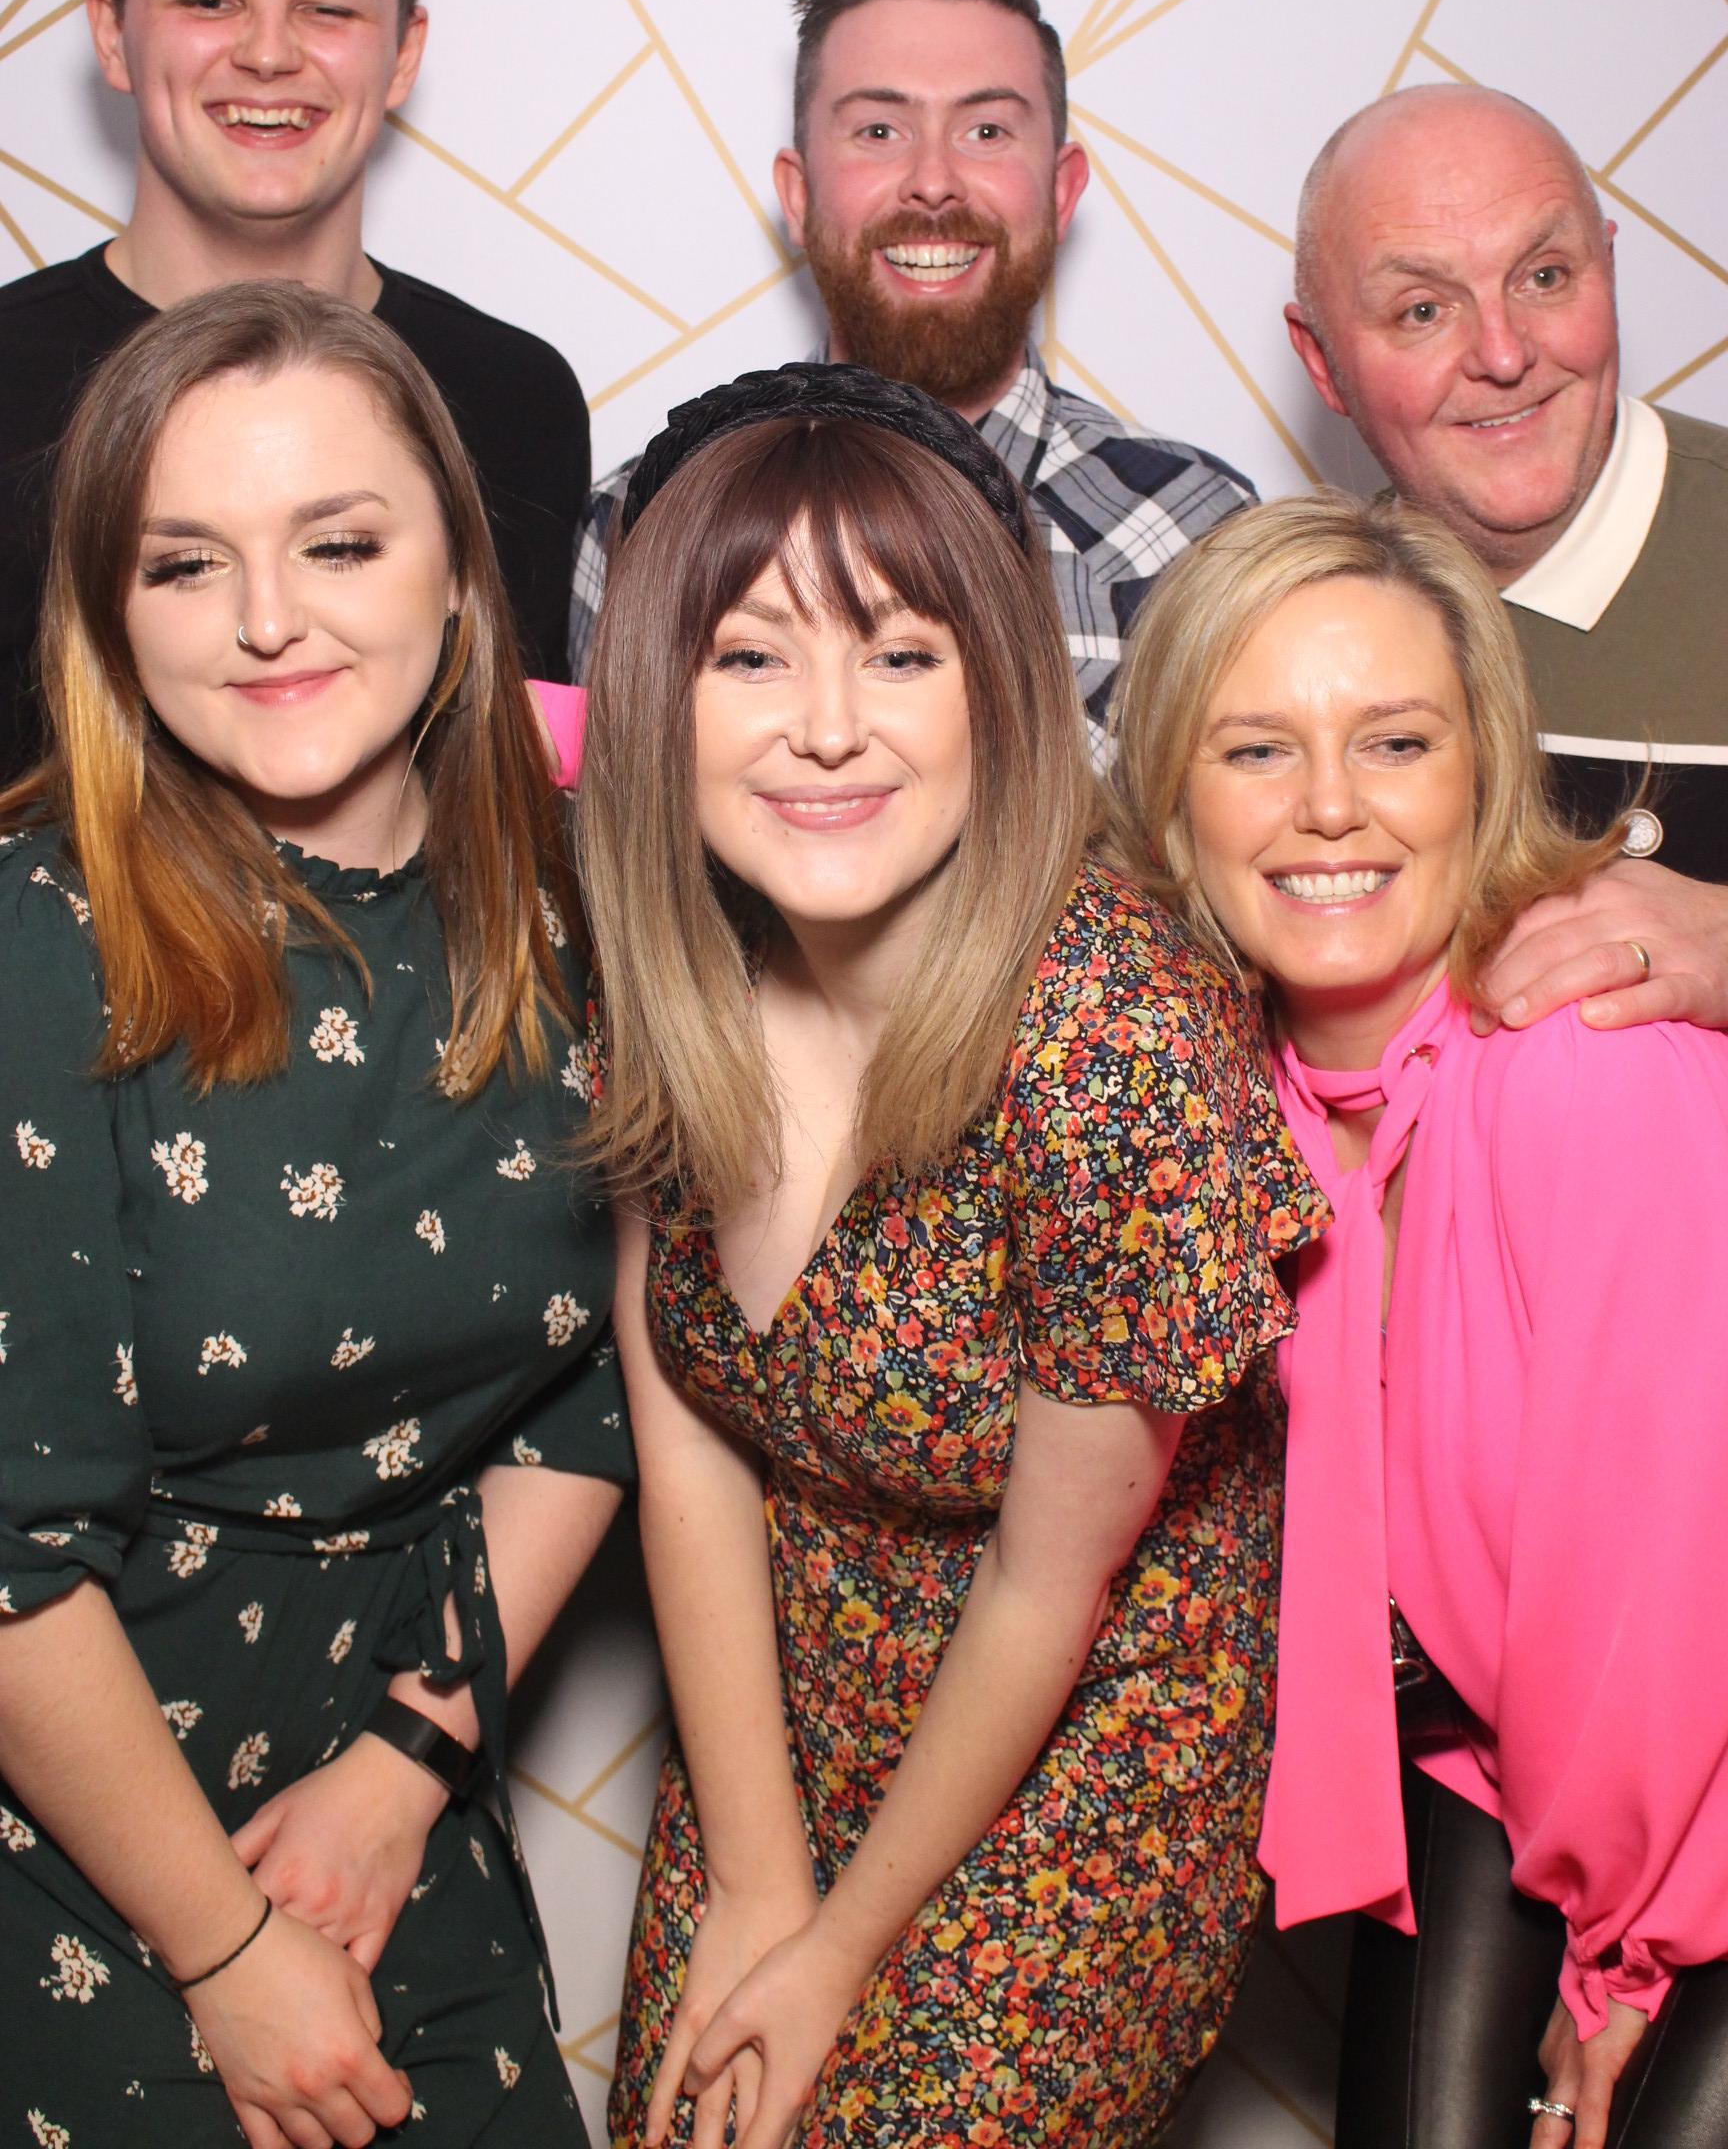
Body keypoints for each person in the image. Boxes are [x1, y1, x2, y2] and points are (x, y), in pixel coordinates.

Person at [577, 362, 1326, 2147]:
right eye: (750, 656)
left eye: (901, 655)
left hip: (1080, 1735)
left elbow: (1046, 1584)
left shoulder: (1112, 1041)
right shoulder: (672, 969)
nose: (827, 729)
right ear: (658, 693)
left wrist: (836, 1949)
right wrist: (754, 1879)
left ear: (997, 684)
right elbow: (689, 1444)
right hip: (783, 1713)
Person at [0, 283, 627, 2147]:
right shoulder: (39, 943)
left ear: (459, 572)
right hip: (80, 1830)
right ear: (112, 619)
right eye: (185, 563)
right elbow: (8, 1557)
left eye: (338, 543)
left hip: (387, 1793)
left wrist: (407, 1764)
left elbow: (605, 1393)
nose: (268, 618)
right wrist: (220, 1947)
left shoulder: (577, 907)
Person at [1106, 489, 1728, 2149]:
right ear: (1170, 793)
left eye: (1393, 741)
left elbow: (1661, 1607)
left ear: (1485, 769)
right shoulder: (1230, 1117)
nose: (1329, 805)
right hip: (1501, 1753)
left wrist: (1624, 1965)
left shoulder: (1585, 1072)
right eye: (1255, 749)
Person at [0, 0, 591, 780]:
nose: (268, 54)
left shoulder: (514, 398)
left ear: (402, 54)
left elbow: (510, 796)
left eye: (329, 7)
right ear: (112, 33)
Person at [570, 0, 1255, 754]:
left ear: (1061, 190)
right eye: (879, 131)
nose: (933, 181)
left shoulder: (1200, 535)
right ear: (799, 195)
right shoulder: (644, 521)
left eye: (987, 131)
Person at [1285, 83, 1728, 1033]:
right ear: (1322, 362)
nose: (1502, 353)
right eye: (1422, 310)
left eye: (1544, 277)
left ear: (1609, 271)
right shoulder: (1287, 631)